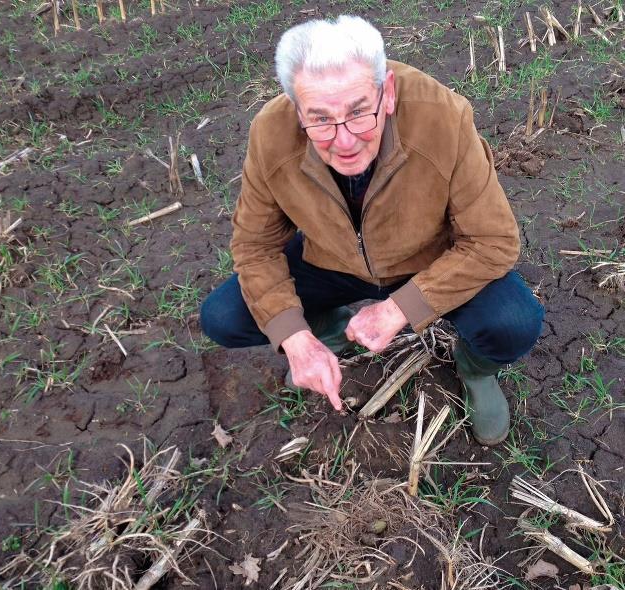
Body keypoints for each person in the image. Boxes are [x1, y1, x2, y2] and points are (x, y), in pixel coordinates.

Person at [200, 15, 544, 446]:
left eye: (359, 112)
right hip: (331, 259)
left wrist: (401, 307)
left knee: (513, 322)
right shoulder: (270, 135)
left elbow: (494, 241)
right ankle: (327, 327)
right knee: (225, 317)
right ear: (295, 108)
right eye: (320, 120)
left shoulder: (444, 119)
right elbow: (256, 246)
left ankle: (475, 370)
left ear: (388, 93)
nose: (344, 141)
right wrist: (295, 337)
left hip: (428, 259)